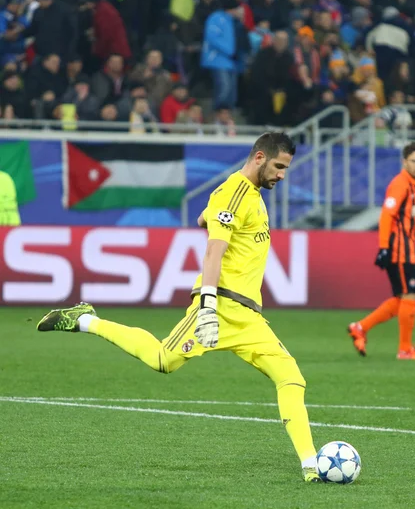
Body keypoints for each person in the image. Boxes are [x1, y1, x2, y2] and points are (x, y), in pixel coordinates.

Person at [36, 132, 323, 483]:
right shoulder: (233, 192)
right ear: (260, 157)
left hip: (249, 317)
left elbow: (207, 221)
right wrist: (206, 305)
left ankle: (311, 467)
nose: (282, 174)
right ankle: (85, 320)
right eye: (279, 166)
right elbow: (213, 251)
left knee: (292, 377)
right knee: (162, 360)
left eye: (286, 169)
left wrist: (207, 218)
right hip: (220, 306)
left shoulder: (249, 196)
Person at [348, 142, 415, 360]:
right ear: (404, 162)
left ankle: (360, 327)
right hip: (399, 250)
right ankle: (405, 349)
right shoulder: (400, 184)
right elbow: (387, 216)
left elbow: (412, 219)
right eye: (413, 161)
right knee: (409, 295)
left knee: (402, 298)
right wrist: (384, 248)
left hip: (409, 248)